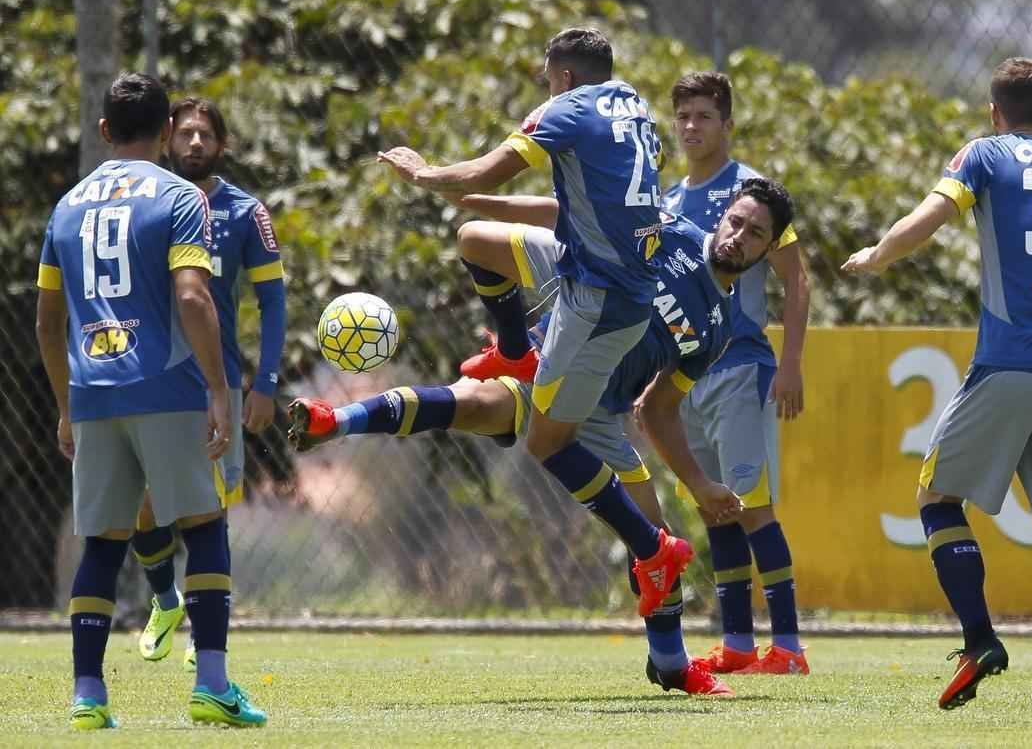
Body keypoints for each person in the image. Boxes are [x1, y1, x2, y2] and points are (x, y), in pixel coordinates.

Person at [289, 178, 795, 696]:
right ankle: (337, 420)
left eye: (756, 233)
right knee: (470, 402)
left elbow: (661, 410)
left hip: (601, 415)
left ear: (769, 248)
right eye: (736, 220)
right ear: (723, 215)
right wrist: (476, 196)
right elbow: (568, 210)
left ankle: (670, 665)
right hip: (548, 365)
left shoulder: (718, 327)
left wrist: (701, 483)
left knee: (654, 538)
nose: (739, 235)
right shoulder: (668, 229)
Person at [377, 27, 719, 612]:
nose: (546, 88)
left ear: (562, 77)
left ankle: (658, 577)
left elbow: (489, 170)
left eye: (547, 78)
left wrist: (425, 174)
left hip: (599, 298)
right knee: (476, 240)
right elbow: (590, 192)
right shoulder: (634, 103)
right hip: (588, 264)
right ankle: (513, 351)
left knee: (546, 441)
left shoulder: (568, 108)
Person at [842, 57, 1032, 721]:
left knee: (936, 499)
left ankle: (979, 639)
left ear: (995, 113)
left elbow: (931, 214)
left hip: (1009, 364)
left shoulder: (986, 154)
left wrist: (878, 255)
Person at [35, 72, 266, 728]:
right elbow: (193, 297)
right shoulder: (180, 196)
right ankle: (213, 686)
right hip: (168, 389)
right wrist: (218, 389)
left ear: (104, 130)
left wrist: (64, 403)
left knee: (102, 545)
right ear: (168, 130)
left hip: (92, 394)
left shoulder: (68, 206)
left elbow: (48, 322)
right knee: (204, 526)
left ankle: (87, 696)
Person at [661, 72, 812, 675]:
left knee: (753, 507)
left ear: (727, 124)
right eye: (684, 116)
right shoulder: (670, 200)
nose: (693, 126)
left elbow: (796, 280)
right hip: (685, 379)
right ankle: (739, 645)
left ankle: (791, 648)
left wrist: (792, 364)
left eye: (704, 116)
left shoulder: (751, 197)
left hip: (742, 370)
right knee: (716, 506)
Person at [133, 97, 287, 672]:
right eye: (186, 133)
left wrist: (265, 383)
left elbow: (272, 301)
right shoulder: (145, 203)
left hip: (213, 386)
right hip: (149, 382)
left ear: (221, 145)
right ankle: (165, 598)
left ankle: (206, 628)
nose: (194, 143)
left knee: (209, 515)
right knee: (139, 508)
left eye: (206, 135)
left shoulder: (246, 212)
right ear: (167, 139)